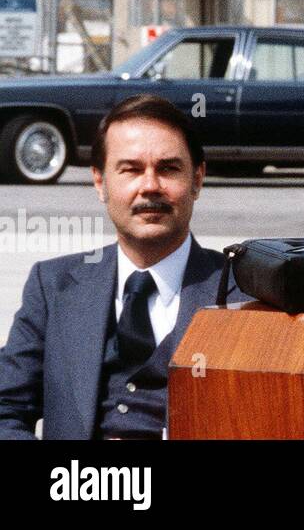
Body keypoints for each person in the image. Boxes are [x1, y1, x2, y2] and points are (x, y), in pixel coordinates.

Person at [0, 95, 244, 439]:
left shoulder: (245, 293)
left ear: (197, 180)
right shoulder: (52, 286)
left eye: (168, 168)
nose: (150, 186)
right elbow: (5, 410)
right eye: (130, 169)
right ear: (100, 182)